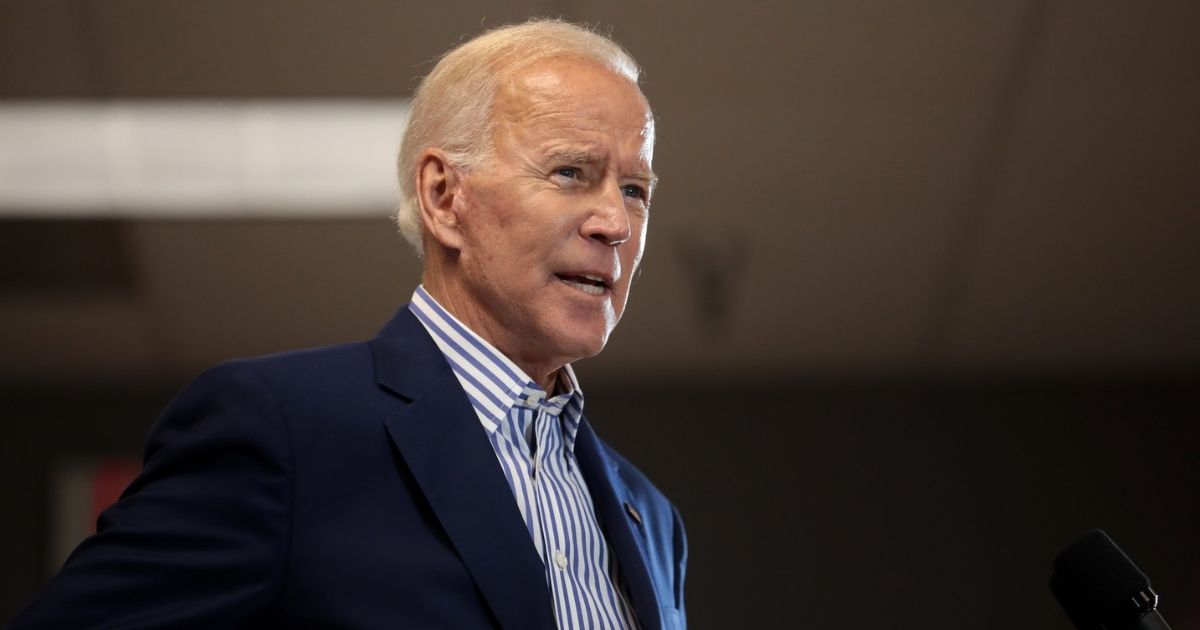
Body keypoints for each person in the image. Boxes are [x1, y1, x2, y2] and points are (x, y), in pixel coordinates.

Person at [8, 19, 687, 630]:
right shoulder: (281, 430)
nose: (616, 223)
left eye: (635, 190)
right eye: (571, 172)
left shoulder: (651, 518)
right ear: (444, 198)